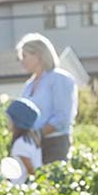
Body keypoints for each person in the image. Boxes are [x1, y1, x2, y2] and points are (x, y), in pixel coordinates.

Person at [17, 33, 78, 165]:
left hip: (54, 144)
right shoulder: (29, 85)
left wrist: (38, 134)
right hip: (33, 145)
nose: (22, 61)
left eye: (25, 56)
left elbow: (63, 117)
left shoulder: (59, 79)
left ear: (38, 55)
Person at [4, 97, 44, 184]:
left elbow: (31, 170)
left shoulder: (20, 144)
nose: (7, 122)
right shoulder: (32, 140)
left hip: (23, 191)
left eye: (9, 119)